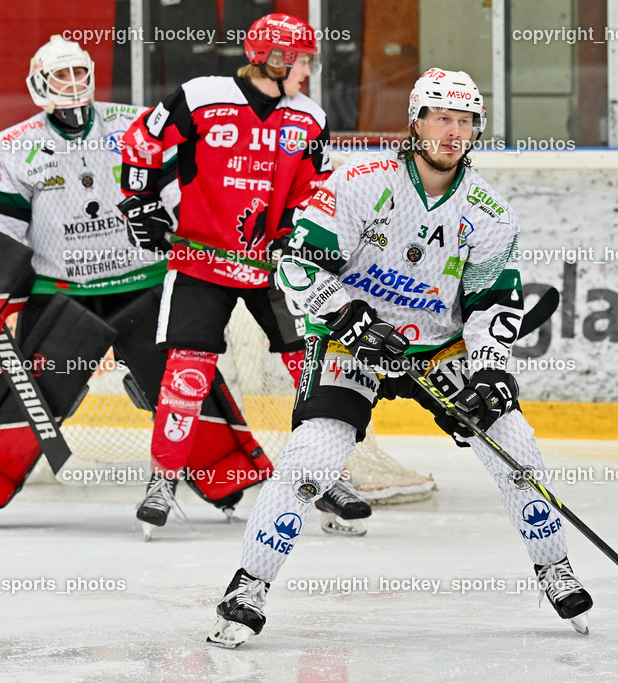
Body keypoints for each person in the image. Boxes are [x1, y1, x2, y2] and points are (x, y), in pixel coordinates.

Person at [206, 68, 593, 648]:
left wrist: (489, 365)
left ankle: (553, 567)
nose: (452, 132)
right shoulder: (359, 183)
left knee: (517, 449)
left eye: (464, 122)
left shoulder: (489, 214)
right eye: (441, 118)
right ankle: (249, 586)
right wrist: (343, 313)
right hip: (350, 342)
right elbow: (298, 266)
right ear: (415, 122)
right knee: (311, 460)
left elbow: (492, 302)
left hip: (439, 348)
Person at [0, 35, 273, 532]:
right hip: (61, 291)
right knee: (38, 390)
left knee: (184, 382)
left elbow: (183, 186)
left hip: (146, 282)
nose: (72, 85)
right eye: (60, 76)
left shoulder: (134, 123)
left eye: (78, 73)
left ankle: (228, 479)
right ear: (38, 84)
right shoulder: (13, 145)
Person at [119, 13, 373, 535]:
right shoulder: (200, 96)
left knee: (313, 366)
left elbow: (317, 190)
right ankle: (164, 477)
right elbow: (142, 142)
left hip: (276, 269)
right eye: (302, 60)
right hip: (201, 263)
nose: (309, 70)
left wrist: (300, 236)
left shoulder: (309, 119)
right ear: (274, 58)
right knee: (188, 370)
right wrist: (139, 204)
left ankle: (324, 476)